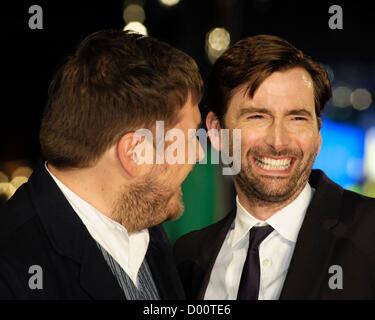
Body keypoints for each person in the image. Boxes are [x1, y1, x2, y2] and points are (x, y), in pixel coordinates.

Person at [0, 29, 203, 299]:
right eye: (187, 140)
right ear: (135, 153)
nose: (199, 154)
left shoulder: (144, 225)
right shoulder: (12, 270)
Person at [174, 35, 375, 300]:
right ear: (216, 130)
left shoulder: (369, 234)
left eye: (297, 118)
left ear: (318, 132)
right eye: (257, 116)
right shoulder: (186, 257)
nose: (278, 142)